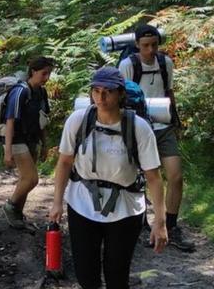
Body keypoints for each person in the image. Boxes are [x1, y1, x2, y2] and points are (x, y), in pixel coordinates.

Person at [49, 67, 168, 289]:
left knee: (117, 276)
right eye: (96, 91)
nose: (101, 98)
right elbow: (64, 162)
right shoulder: (78, 121)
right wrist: (57, 202)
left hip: (125, 209)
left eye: (108, 92)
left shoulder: (139, 129)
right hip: (81, 203)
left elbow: (154, 177)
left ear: (120, 94)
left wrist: (160, 223)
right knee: (86, 276)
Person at [117, 24, 194, 251]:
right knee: (138, 180)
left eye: (154, 45)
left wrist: (175, 120)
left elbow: (169, 92)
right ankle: (141, 226)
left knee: (176, 176)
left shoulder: (165, 62)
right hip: (138, 128)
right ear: (137, 45)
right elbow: (121, 98)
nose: (150, 50)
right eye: (145, 46)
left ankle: (171, 226)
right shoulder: (128, 65)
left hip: (164, 127)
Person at [2, 56, 55, 229]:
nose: (46, 78)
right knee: (32, 179)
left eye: (49, 74)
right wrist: (7, 151)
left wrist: (45, 144)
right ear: (33, 71)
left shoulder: (41, 92)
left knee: (25, 179)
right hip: (16, 140)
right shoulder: (20, 91)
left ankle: (17, 216)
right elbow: (10, 121)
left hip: (32, 139)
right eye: (44, 73)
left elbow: (42, 120)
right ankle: (10, 206)